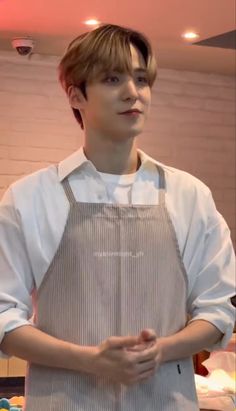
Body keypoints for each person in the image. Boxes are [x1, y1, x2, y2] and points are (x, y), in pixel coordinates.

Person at [0, 23, 235, 411]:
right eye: (112, 78)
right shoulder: (31, 198)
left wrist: (161, 350)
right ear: (76, 94)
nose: (133, 92)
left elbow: (218, 309)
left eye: (141, 79)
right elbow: (5, 316)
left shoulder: (190, 196)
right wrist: (89, 360)